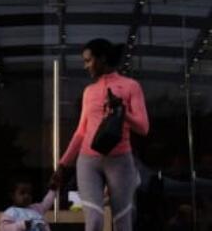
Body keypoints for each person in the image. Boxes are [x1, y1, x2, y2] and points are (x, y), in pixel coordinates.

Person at [58, 38, 149, 231]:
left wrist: (122, 110)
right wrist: (63, 165)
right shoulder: (88, 91)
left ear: (102, 59)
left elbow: (143, 127)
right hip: (87, 161)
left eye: (88, 60)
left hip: (120, 160)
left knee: (123, 224)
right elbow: (81, 132)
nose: (85, 66)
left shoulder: (131, 86)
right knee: (95, 222)